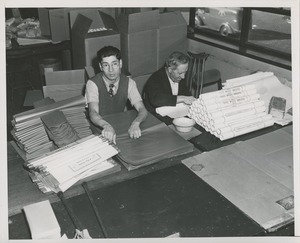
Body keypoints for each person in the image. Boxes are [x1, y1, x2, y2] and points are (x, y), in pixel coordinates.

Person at [85, 46, 148, 143]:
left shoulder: (129, 83)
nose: (111, 70)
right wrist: (106, 126)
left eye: (114, 64)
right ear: (101, 67)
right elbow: (93, 113)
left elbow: (142, 109)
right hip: (98, 126)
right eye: (106, 65)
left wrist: (136, 123)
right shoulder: (92, 83)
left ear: (120, 63)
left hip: (118, 123)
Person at [143, 51, 196, 124]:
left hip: (173, 114)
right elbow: (156, 100)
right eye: (180, 73)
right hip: (154, 117)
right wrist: (182, 98)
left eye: (185, 72)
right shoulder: (155, 78)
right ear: (170, 69)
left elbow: (186, 94)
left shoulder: (179, 77)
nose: (183, 77)